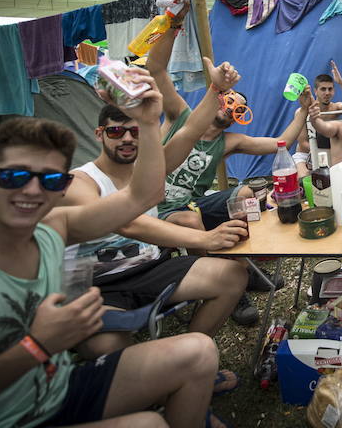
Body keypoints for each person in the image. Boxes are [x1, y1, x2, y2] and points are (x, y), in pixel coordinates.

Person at [0, 73, 226, 428]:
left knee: (198, 351)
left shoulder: (52, 228)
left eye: (51, 181)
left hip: (58, 387)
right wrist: (37, 345)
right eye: (13, 178)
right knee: (148, 425)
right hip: (7, 418)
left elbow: (141, 198)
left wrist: (149, 121)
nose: (32, 192)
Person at [60, 102, 251, 355]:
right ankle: (162, 376)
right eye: (116, 132)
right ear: (99, 134)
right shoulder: (81, 181)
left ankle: (191, 356)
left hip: (150, 267)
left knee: (233, 275)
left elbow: (191, 131)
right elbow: (125, 223)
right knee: (109, 348)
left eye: (134, 132)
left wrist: (215, 90)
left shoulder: (146, 173)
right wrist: (205, 238)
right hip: (99, 283)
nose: (127, 139)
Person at [146, 21, 311, 232]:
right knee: (190, 220)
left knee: (244, 193)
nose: (231, 109)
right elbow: (156, 70)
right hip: (152, 203)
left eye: (239, 111)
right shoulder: (181, 114)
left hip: (189, 205)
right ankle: (203, 259)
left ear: (237, 119)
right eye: (229, 100)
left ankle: (242, 249)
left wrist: (303, 110)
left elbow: (282, 143)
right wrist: (173, 23)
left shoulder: (229, 142)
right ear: (218, 97)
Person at [294, 61, 342, 175]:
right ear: (315, 91)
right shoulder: (302, 112)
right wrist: (324, 154)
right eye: (323, 89)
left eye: (330, 89)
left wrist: (341, 83)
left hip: (330, 153)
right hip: (306, 155)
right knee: (304, 178)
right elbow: (303, 143)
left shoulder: (336, 108)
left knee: (341, 174)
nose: (327, 93)